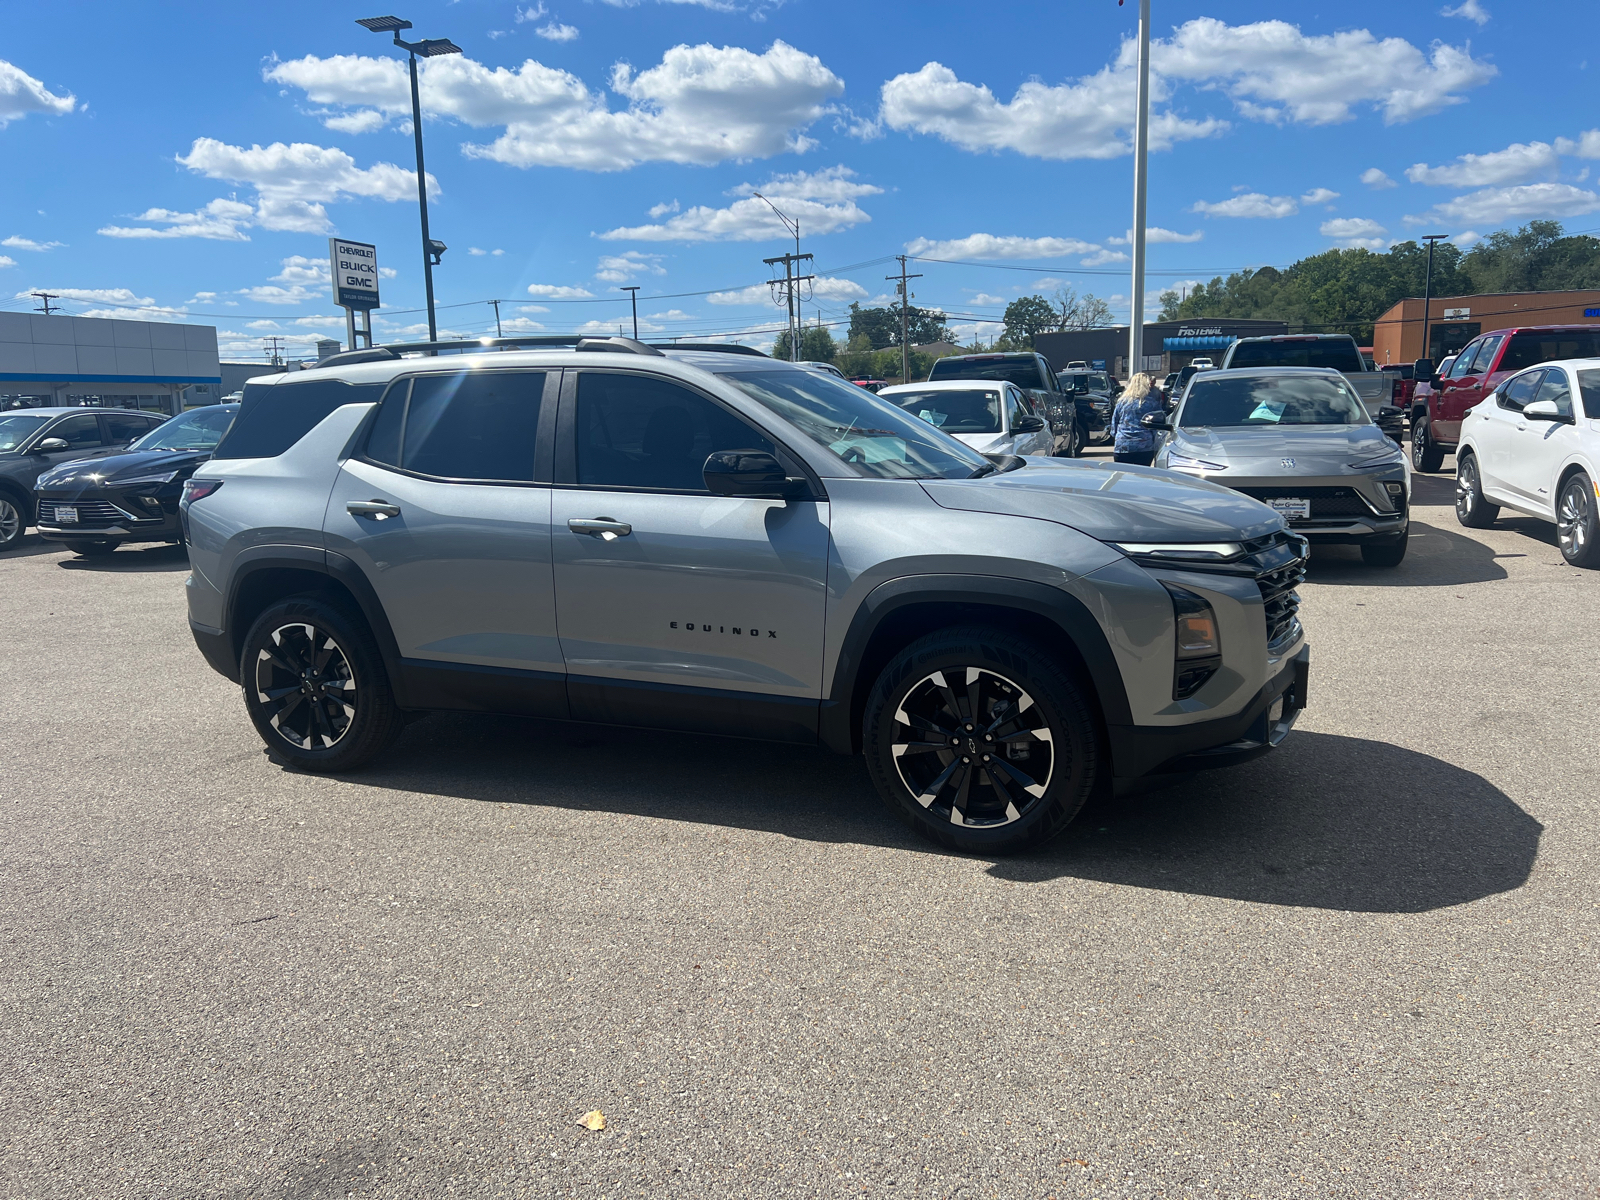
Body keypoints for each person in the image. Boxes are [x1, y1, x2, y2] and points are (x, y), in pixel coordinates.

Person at [1109, 372, 1165, 466]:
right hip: (1144, 446)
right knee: (1141, 476)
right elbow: (1158, 426)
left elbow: (1114, 427)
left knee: (1123, 476)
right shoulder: (1152, 404)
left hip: (1123, 446)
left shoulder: (1121, 402)